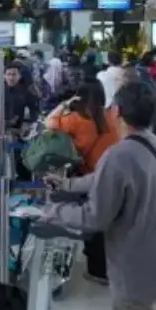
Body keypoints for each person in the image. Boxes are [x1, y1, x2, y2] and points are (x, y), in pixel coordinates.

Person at [43, 82, 156, 310]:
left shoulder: (119, 155)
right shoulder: (154, 144)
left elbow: (94, 217)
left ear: (117, 111)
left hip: (135, 270)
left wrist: (53, 211)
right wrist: (68, 185)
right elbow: (105, 179)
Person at [44, 82, 120, 285]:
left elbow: (49, 123)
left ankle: (97, 271)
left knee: (92, 221)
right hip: (112, 175)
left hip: (88, 177)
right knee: (108, 223)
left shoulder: (76, 120)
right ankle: (108, 268)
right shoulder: (112, 117)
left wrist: (64, 104)